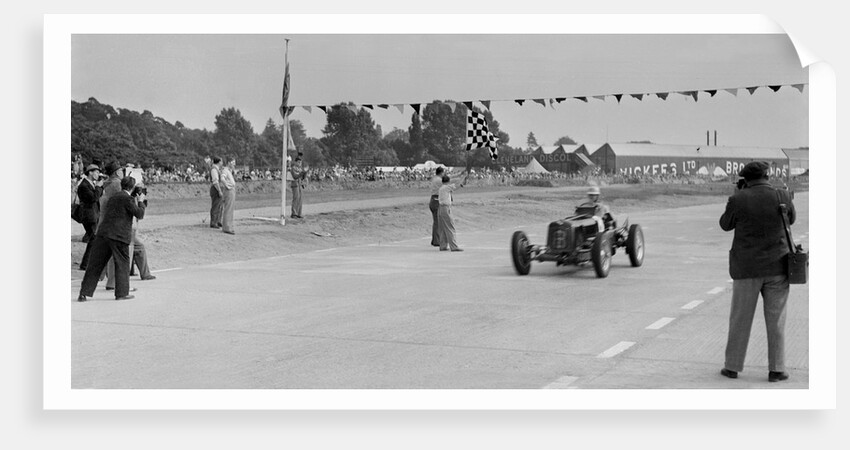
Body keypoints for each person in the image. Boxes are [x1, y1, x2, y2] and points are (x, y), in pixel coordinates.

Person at [719, 161, 796, 382]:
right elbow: (791, 219)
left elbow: (725, 224)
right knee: (776, 320)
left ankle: (732, 367)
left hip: (747, 269)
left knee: (740, 319)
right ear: (767, 176)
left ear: (746, 179)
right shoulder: (782, 196)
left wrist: (734, 197)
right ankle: (777, 369)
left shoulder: (738, 199)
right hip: (778, 268)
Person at [77, 176, 147, 302]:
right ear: (131, 187)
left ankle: (84, 293)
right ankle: (121, 293)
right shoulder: (128, 199)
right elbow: (139, 214)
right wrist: (141, 201)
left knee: (95, 265)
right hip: (119, 235)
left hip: (103, 233)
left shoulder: (113, 197)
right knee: (122, 264)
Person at [77, 164, 103, 270]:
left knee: (93, 238)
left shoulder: (89, 184)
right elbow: (94, 198)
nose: (98, 174)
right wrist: (98, 187)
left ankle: (86, 263)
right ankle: (85, 264)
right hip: (89, 216)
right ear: (90, 172)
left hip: (92, 215)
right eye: (96, 172)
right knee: (93, 239)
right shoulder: (84, 185)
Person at [437, 172, 469, 252]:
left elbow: (457, 185)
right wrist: (464, 177)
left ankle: (443, 245)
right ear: (448, 181)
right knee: (450, 227)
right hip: (445, 208)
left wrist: (462, 181)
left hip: (441, 208)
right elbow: (457, 185)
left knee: (443, 228)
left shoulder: (442, 188)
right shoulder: (446, 187)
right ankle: (453, 246)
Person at [428, 166, 446, 247]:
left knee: (436, 221)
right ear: (441, 172)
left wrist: (460, 174)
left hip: (433, 200)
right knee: (437, 222)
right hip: (436, 200)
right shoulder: (439, 180)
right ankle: (436, 241)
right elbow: (448, 181)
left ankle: (434, 240)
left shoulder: (434, 178)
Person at [220, 157, 236, 235]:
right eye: (233, 163)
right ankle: (227, 227)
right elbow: (222, 178)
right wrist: (227, 185)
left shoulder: (229, 171)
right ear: (229, 163)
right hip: (229, 190)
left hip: (231, 190)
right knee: (228, 209)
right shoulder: (225, 170)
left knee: (229, 208)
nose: (234, 164)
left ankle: (227, 226)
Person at [208, 157, 223, 229]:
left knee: (219, 206)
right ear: (219, 162)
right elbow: (215, 181)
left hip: (217, 188)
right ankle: (213, 222)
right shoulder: (214, 169)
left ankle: (218, 220)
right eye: (221, 161)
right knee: (216, 206)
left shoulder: (216, 169)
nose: (222, 163)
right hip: (215, 189)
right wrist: (219, 190)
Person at [290, 154, 306, 218]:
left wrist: (305, 173)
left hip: (299, 185)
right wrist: (301, 173)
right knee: (296, 199)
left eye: (300, 162)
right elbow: (295, 176)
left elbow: (302, 178)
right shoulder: (293, 168)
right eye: (299, 162)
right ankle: (294, 213)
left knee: (300, 199)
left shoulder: (300, 169)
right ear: (296, 162)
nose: (300, 163)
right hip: (295, 185)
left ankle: (299, 213)